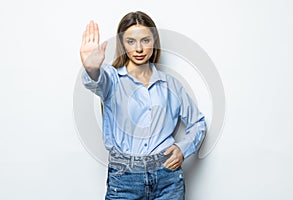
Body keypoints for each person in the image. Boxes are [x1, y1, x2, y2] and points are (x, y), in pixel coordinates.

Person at [80, 11, 206, 200]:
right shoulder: (112, 79)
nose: (139, 48)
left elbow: (198, 123)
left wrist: (183, 148)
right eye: (131, 41)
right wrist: (91, 68)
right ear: (123, 44)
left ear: (154, 42)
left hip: (167, 178)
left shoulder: (171, 85)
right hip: (124, 180)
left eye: (145, 40)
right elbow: (95, 80)